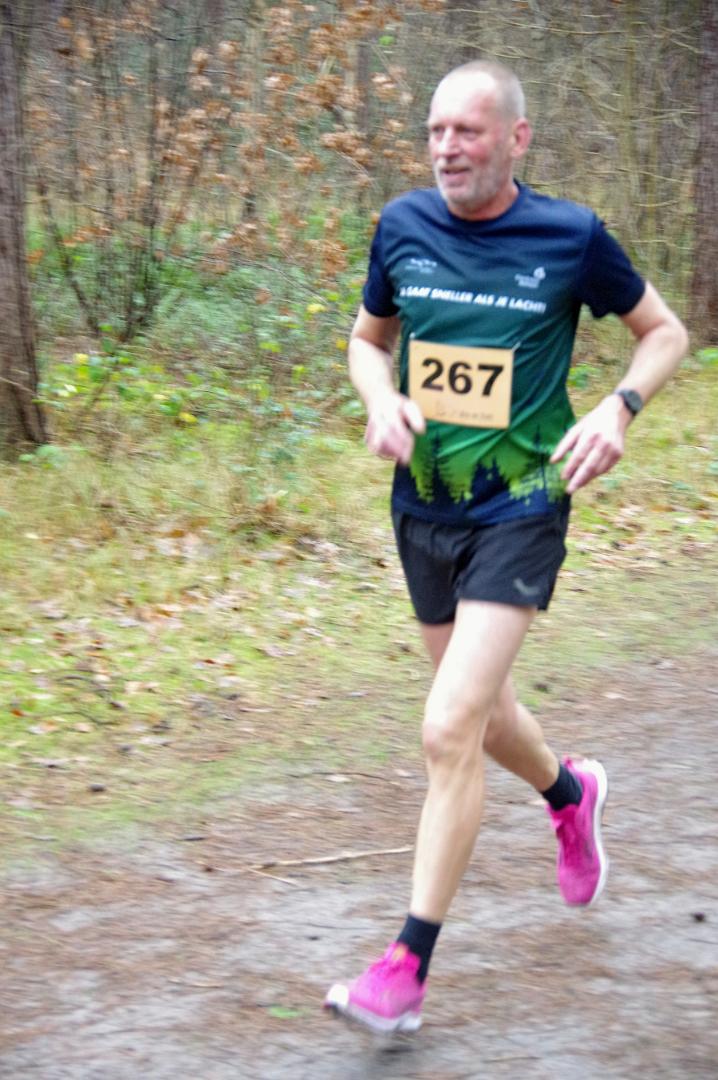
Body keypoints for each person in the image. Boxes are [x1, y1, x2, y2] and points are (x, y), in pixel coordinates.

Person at [323, 60, 689, 1034]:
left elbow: (664, 333)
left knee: (447, 727)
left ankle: (404, 969)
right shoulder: (401, 226)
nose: (446, 149)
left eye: (467, 132)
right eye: (435, 131)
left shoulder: (570, 236)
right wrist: (379, 398)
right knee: (482, 719)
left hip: (523, 505)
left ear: (515, 139)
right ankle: (570, 793)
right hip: (424, 506)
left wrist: (617, 408)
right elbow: (367, 340)